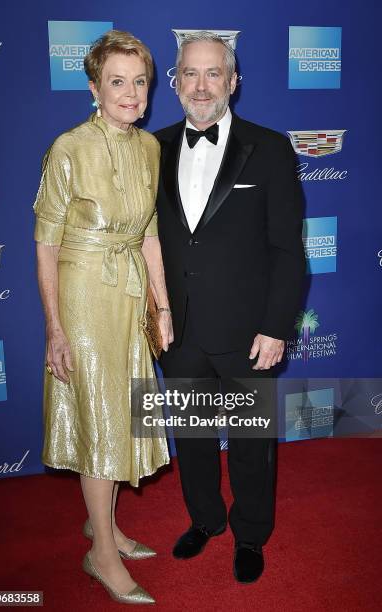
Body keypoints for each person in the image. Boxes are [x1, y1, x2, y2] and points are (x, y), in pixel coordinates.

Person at [155, 31, 305, 583]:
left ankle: (250, 534)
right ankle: (205, 520)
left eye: (213, 73)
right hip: (178, 330)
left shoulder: (269, 148)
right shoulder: (153, 147)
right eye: (189, 74)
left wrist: (274, 326)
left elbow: (288, 249)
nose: (201, 85)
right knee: (191, 437)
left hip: (247, 331)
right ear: (175, 83)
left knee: (250, 442)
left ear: (233, 82)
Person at [33, 30, 173, 605]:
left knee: (123, 412)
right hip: (84, 294)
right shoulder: (69, 147)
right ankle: (102, 557)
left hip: (130, 295)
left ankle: (106, 528)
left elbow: (149, 235)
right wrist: (55, 329)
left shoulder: (150, 148)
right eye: (118, 82)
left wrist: (161, 307)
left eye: (139, 82)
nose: (131, 94)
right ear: (94, 87)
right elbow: (44, 243)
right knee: (101, 419)